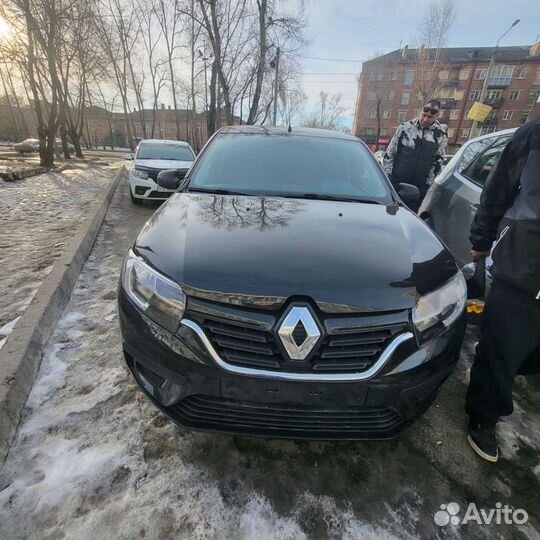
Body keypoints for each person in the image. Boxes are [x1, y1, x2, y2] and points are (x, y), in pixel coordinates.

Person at [466, 117, 540, 463]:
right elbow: (497, 188)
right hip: (523, 265)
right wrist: (481, 238)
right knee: (502, 350)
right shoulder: (532, 137)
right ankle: (484, 416)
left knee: (525, 356)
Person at [383, 99, 448, 212]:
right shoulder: (405, 128)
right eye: (424, 115)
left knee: (411, 218)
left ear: (437, 116)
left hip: (419, 187)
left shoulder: (440, 134)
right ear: (421, 111)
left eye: (430, 117)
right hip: (397, 183)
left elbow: (438, 160)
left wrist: (428, 185)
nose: (425, 119)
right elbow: (390, 154)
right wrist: (388, 179)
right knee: (391, 214)